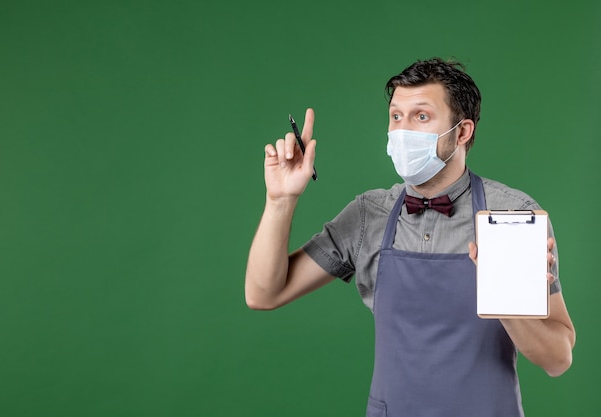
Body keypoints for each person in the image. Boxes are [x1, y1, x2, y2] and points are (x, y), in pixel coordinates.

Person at [245, 57, 575, 416]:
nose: (402, 131)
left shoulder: (510, 215)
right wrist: (280, 200)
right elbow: (264, 293)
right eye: (396, 117)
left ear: (462, 132)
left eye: (421, 116)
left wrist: (507, 300)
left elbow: (558, 359)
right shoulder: (368, 215)